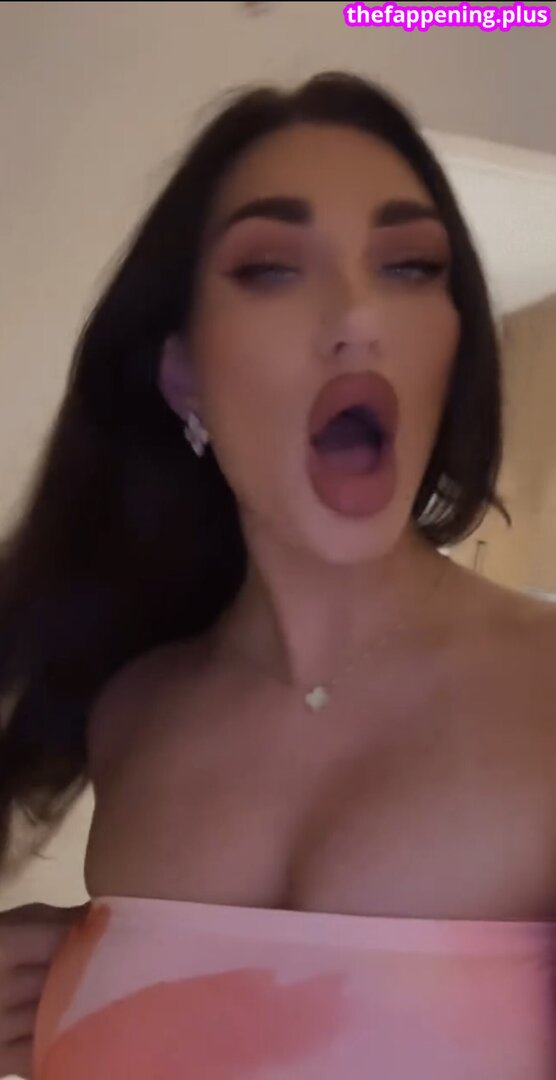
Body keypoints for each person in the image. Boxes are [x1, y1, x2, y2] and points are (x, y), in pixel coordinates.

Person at [0, 71, 554, 1079]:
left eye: (410, 266)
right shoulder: (132, 714)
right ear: (183, 374)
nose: (359, 315)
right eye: (269, 268)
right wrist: (91, 996)